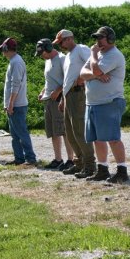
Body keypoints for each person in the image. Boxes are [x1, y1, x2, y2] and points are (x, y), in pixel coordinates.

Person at [80, 26, 128, 183]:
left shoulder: (113, 55)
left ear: (110, 39)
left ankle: (122, 170)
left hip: (109, 102)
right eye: (97, 37)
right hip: (93, 103)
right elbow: (82, 73)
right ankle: (102, 169)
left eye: (101, 37)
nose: (97, 41)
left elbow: (94, 70)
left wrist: (93, 57)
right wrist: (96, 75)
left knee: (113, 138)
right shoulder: (98, 54)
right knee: (97, 139)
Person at [52, 29, 96, 178]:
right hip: (69, 95)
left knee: (79, 131)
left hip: (78, 93)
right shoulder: (69, 55)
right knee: (70, 133)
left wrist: (82, 79)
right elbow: (68, 78)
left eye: (62, 42)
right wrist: (63, 98)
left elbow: (92, 64)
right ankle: (79, 163)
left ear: (69, 39)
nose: (61, 46)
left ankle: (90, 165)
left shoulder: (81, 49)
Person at [35, 38, 74, 171]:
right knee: (53, 131)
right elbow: (49, 80)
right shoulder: (48, 61)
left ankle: (71, 159)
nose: (41, 56)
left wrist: (58, 91)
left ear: (49, 49)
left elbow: (69, 79)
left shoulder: (62, 59)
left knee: (64, 130)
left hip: (59, 100)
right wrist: (43, 91)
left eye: (42, 53)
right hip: (49, 100)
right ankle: (58, 159)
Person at [0, 38, 37, 165]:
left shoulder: (16, 62)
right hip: (14, 105)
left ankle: (30, 158)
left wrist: (10, 104)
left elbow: (16, 85)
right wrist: (8, 104)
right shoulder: (14, 61)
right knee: (15, 135)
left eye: (3, 49)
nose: (2, 52)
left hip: (17, 105)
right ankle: (19, 158)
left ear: (6, 49)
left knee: (21, 133)